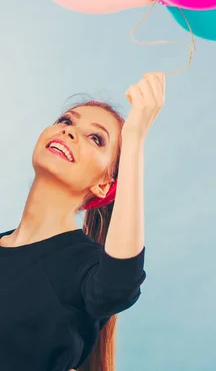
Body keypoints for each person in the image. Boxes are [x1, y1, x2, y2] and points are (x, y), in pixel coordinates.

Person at [0, 72, 165, 371]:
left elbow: (119, 285)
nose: (69, 132)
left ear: (105, 185)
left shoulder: (81, 266)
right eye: (66, 121)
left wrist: (136, 138)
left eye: (96, 138)